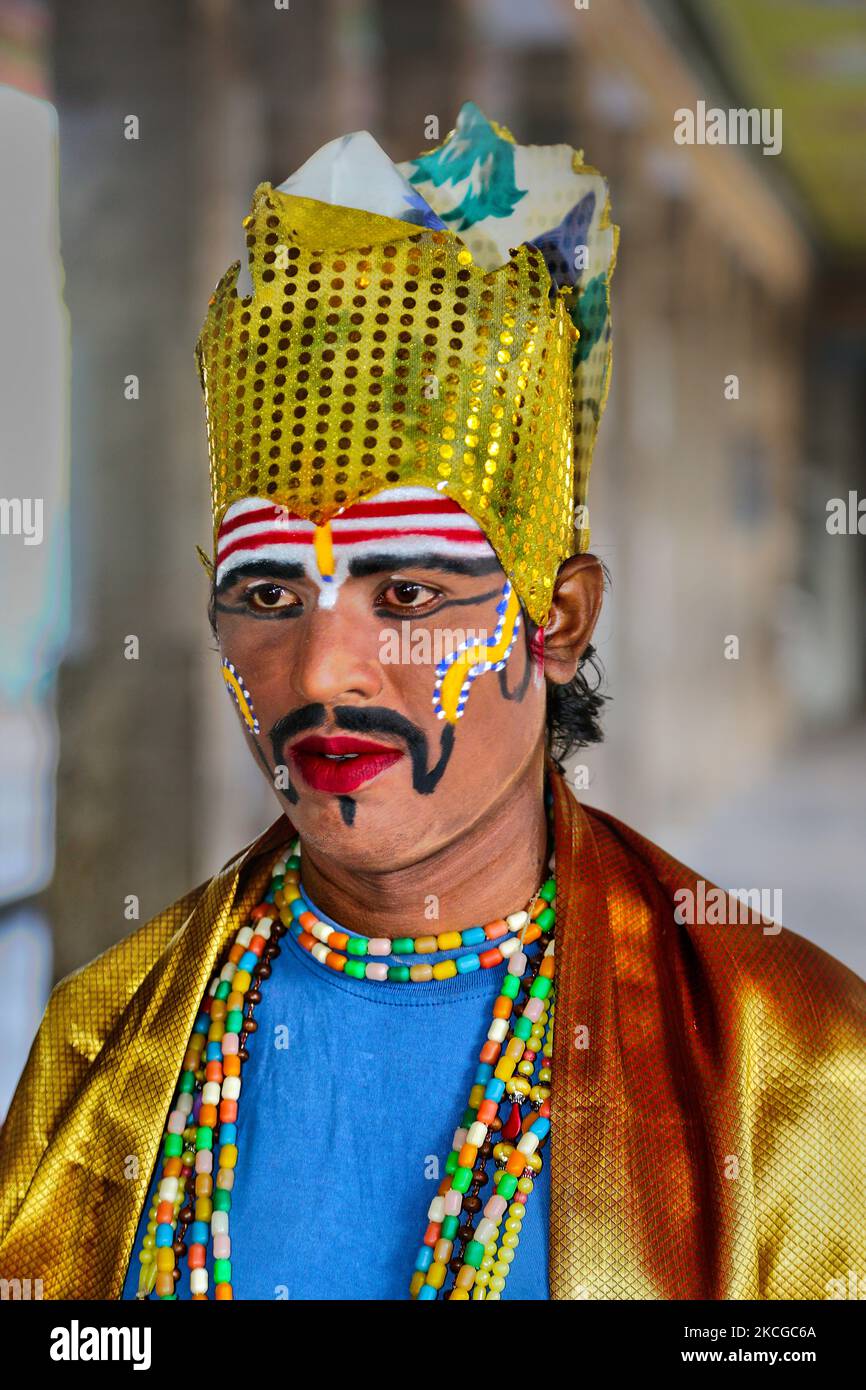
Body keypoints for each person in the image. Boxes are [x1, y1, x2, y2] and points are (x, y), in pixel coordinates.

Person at [2, 104, 865, 1302]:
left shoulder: (798, 1063)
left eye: (406, 589)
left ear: (555, 620)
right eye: (265, 591)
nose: (319, 673)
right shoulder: (100, 1046)